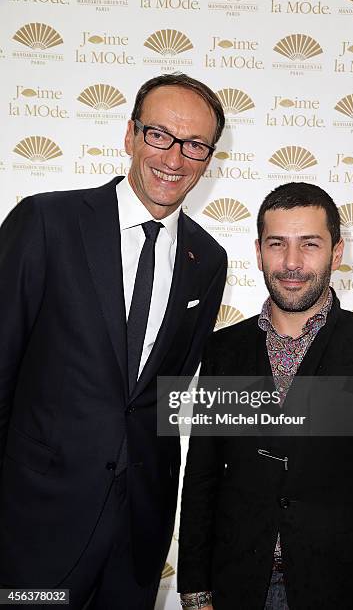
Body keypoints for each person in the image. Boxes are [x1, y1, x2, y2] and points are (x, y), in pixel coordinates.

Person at [0, 73, 227, 609]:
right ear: (130, 135)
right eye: (159, 135)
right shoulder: (47, 220)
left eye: (195, 144)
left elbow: (168, 395)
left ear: (209, 157)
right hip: (35, 526)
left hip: (137, 537)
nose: (175, 157)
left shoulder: (208, 259)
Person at [177, 182, 353, 610]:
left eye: (310, 244)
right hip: (236, 583)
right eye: (277, 244)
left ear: (336, 253)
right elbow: (202, 476)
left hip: (339, 587)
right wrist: (194, 590)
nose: (292, 263)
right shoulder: (224, 350)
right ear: (259, 250)